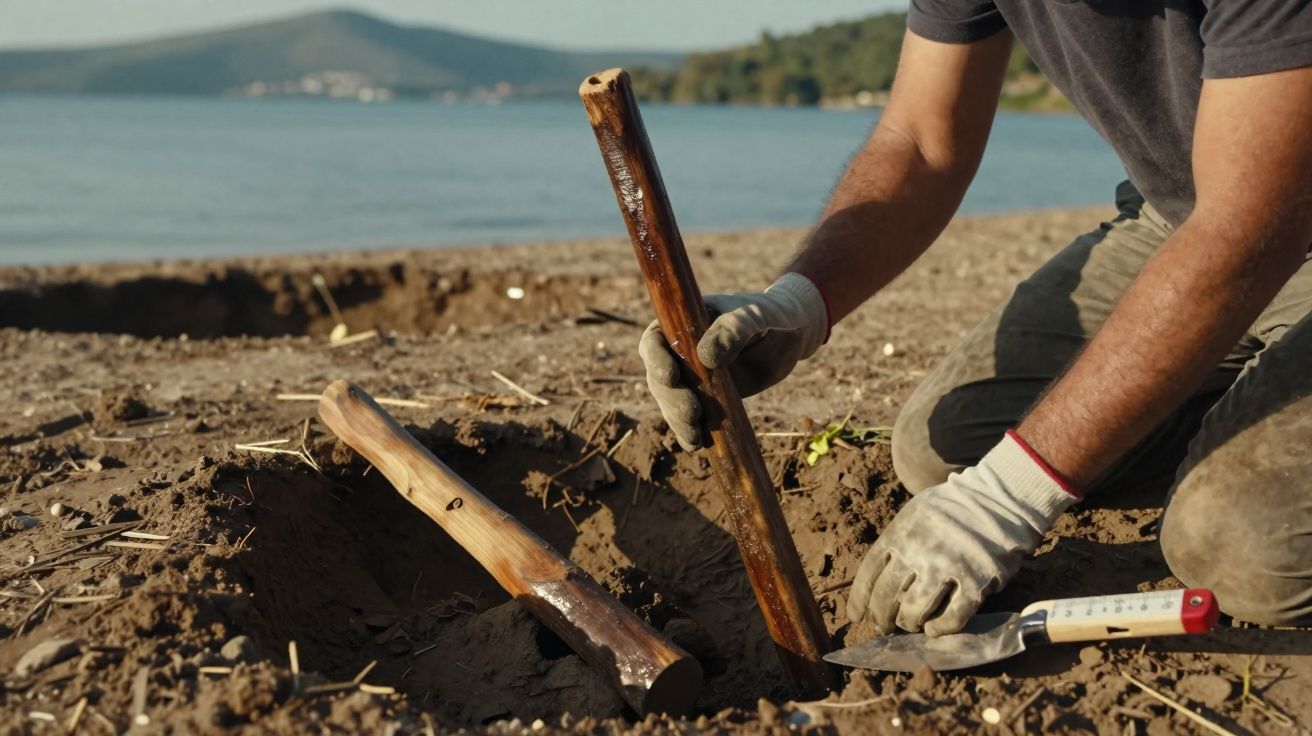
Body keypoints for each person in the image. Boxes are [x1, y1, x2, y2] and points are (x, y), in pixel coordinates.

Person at [638, 1, 1312, 637]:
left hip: (1264, 219)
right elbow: (921, 141)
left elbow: (1246, 229)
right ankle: (1239, 406)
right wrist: (800, 302)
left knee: (1242, 550)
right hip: (1184, 218)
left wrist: (1006, 498)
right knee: (947, 449)